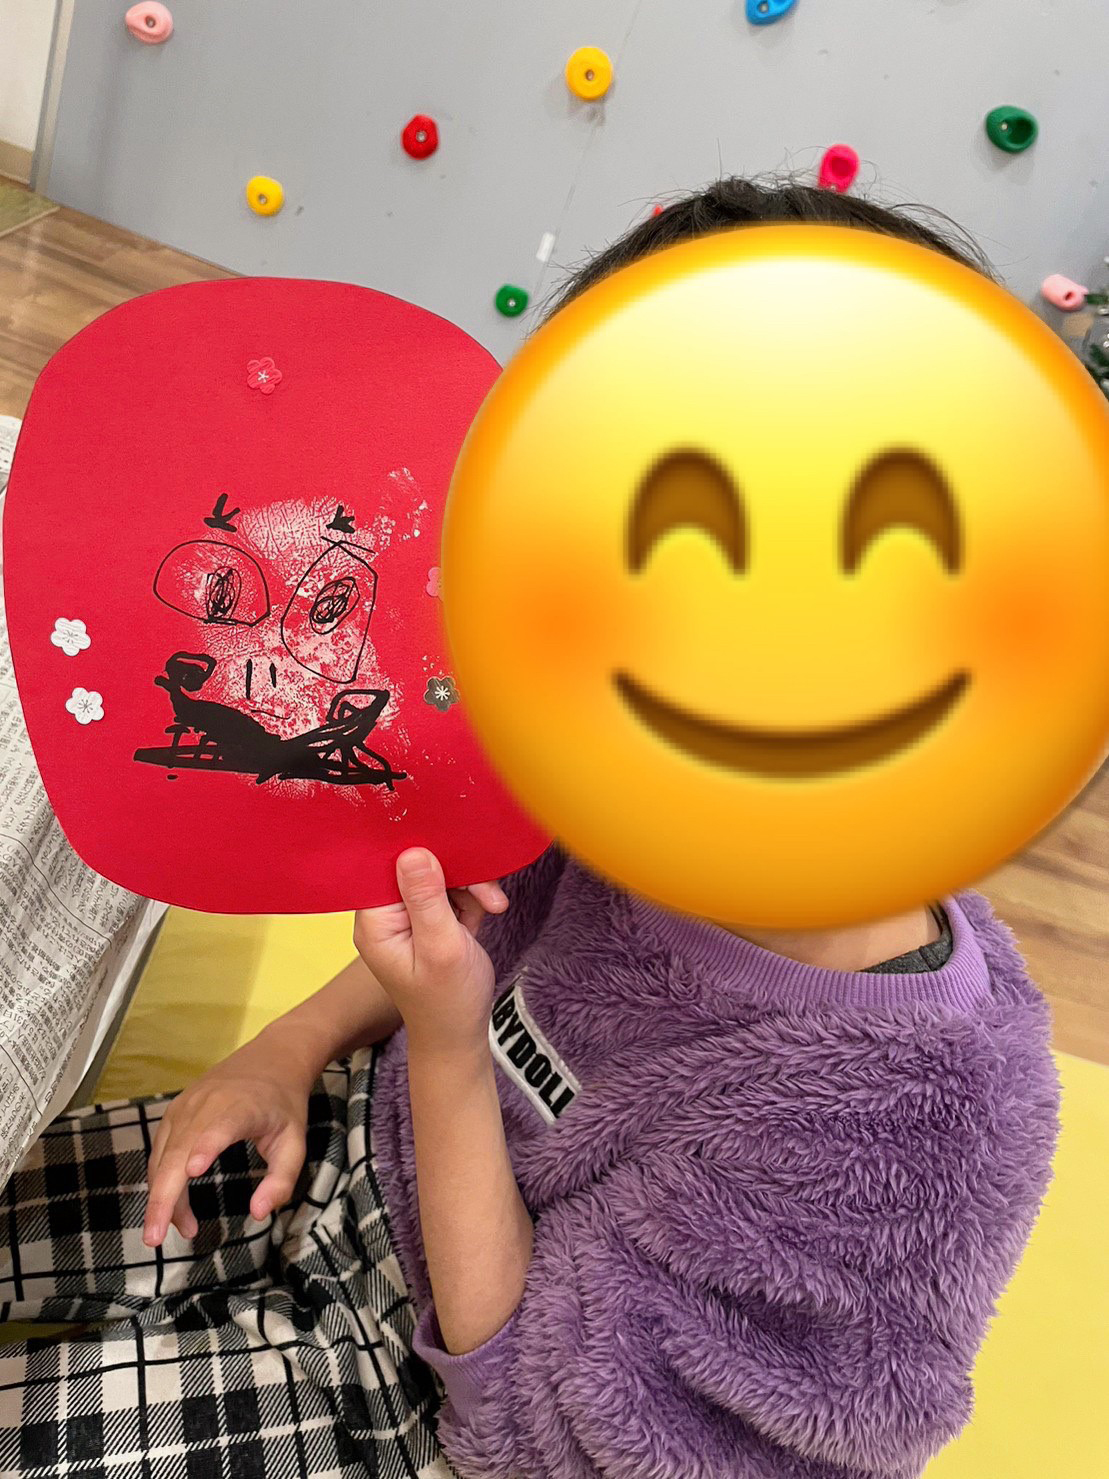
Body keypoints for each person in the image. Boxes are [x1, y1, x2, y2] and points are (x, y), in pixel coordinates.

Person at [0, 177, 1060, 1479]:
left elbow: (547, 1432)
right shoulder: (632, 783)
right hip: (355, 1155)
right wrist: (287, 1046)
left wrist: (450, 1049)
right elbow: (460, 935)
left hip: (435, 1403)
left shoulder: (905, 1125)